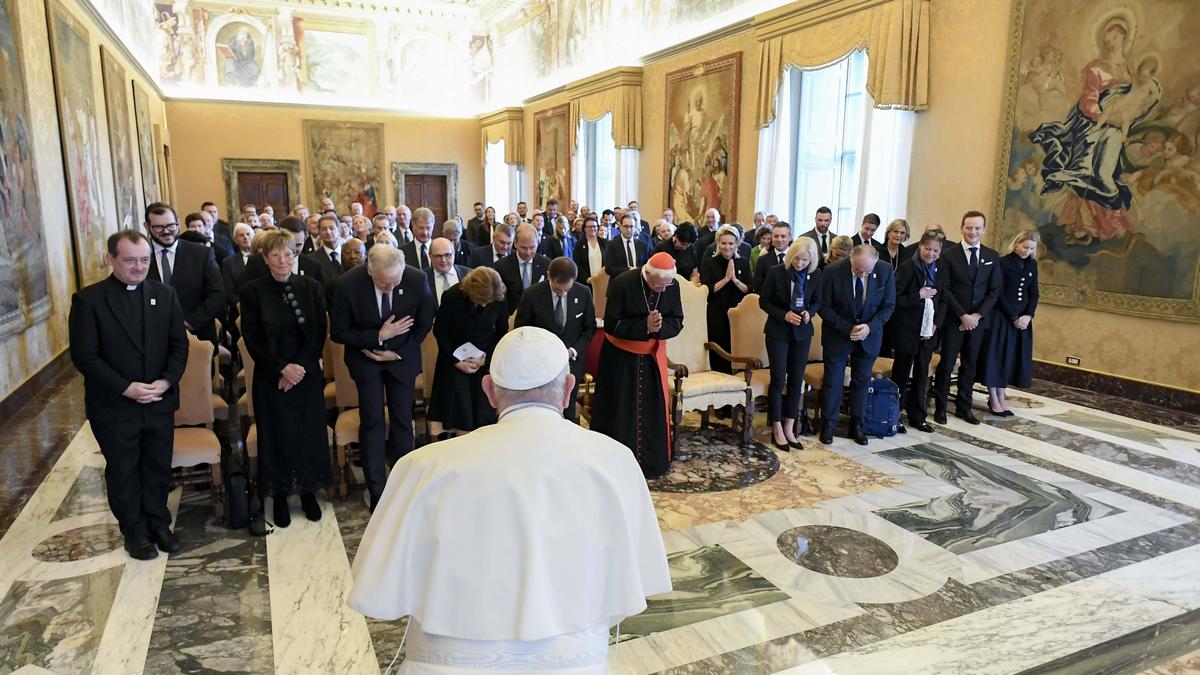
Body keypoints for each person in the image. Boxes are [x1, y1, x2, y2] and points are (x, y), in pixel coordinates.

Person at [348, 327, 670, 673]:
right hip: (573, 663)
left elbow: (378, 591)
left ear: (489, 390)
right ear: (568, 389)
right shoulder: (615, 460)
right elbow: (639, 579)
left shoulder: (421, 466)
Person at [69, 230, 189, 560]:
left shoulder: (164, 294)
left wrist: (166, 382)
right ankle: (134, 531)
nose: (139, 267)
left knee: (157, 466)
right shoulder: (89, 300)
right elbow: (85, 356)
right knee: (124, 470)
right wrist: (127, 388)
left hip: (158, 400)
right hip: (115, 404)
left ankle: (158, 524)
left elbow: (179, 345)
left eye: (144, 260)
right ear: (111, 260)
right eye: (130, 260)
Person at [330, 245, 435, 511]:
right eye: (383, 283)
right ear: (370, 271)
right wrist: (379, 336)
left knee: (402, 420)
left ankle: (402, 485)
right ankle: (376, 489)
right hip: (366, 362)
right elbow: (339, 332)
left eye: (395, 282)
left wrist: (397, 353)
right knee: (373, 421)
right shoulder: (346, 285)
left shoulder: (416, 279)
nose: (390, 288)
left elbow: (424, 323)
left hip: (402, 361)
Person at [239, 230, 332, 527]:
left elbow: (319, 331)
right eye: (276, 255)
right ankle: (278, 496)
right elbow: (251, 338)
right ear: (265, 259)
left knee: (308, 433)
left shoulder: (311, 286)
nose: (283, 260)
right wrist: (282, 368)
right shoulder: (252, 291)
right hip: (271, 377)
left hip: (306, 375)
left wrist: (299, 368)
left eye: (289, 254)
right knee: (276, 435)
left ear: (296, 256)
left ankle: (307, 493)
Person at [592, 252, 684, 478]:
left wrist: (659, 328)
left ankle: (651, 463)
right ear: (648, 275)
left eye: (667, 285)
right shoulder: (622, 282)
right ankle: (617, 466)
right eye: (658, 285)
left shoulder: (671, 285)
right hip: (620, 361)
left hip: (651, 360)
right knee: (620, 411)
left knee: (651, 412)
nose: (663, 289)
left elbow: (678, 320)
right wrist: (644, 326)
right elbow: (612, 324)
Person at [818, 244, 895, 446]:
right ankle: (828, 424)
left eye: (867, 271)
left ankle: (858, 424)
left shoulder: (885, 270)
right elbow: (823, 307)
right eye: (858, 269)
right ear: (851, 259)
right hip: (838, 334)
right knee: (833, 381)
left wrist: (870, 327)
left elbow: (888, 306)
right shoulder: (832, 271)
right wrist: (847, 329)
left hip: (869, 336)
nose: (862, 274)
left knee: (862, 380)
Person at [933, 211, 1002, 425]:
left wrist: (976, 316)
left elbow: (994, 290)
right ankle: (941, 408)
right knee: (946, 365)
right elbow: (945, 289)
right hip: (954, 320)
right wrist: (963, 315)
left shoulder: (991, 256)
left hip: (978, 322)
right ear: (962, 228)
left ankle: (964, 407)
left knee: (970, 366)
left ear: (983, 229)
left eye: (977, 228)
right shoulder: (948, 255)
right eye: (969, 227)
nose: (973, 231)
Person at [428, 266, 509, 435]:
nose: (486, 304)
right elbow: (441, 332)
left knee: (485, 413)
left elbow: (501, 331)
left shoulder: (498, 295)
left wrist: (485, 359)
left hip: (484, 358)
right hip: (455, 360)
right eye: (482, 300)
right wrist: (456, 362)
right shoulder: (453, 296)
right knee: (461, 411)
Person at [514, 257, 597, 421]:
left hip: (571, 363)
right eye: (558, 290)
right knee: (543, 411)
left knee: (568, 408)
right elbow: (522, 331)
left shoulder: (583, 292)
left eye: (567, 289)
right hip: (541, 365)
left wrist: (572, 351)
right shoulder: (532, 294)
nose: (563, 293)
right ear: (549, 277)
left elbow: (590, 327)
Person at [759, 237, 822, 449]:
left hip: (802, 333)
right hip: (778, 331)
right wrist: (784, 314)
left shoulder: (815, 275)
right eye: (797, 259)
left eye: (805, 260)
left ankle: (789, 426)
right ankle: (776, 426)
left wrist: (809, 313)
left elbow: (817, 301)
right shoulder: (777, 272)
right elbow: (764, 301)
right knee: (778, 379)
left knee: (797, 380)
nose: (800, 264)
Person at [890, 231, 948, 433]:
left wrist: (936, 323)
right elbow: (896, 299)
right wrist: (918, 295)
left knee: (922, 373)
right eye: (928, 249)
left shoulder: (940, 269)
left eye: (935, 250)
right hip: (907, 329)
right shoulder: (908, 267)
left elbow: (944, 299)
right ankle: (894, 415)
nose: (931, 253)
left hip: (928, 331)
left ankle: (918, 416)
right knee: (901, 373)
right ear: (920, 247)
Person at [145, 202, 225, 343]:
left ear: (178, 223)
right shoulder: (140, 256)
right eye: (158, 227)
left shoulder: (201, 254)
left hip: (197, 336)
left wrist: (189, 323)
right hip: (153, 340)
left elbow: (216, 294)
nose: (166, 231)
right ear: (147, 227)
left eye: (171, 225)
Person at [982, 230, 1040, 416]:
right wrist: (1014, 317)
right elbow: (998, 293)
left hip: (1023, 321)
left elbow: (1034, 293)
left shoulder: (1032, 265)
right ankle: (994, 398)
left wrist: (1028, 316)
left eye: (1031, 248)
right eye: (1024, 247)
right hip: (1002, 319)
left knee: (1011, 360)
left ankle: (1001, 396)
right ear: (1016, 244)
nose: (1027, 251)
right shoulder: (1003, 263)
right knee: (997, 358)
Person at [699, 225, 752, 374]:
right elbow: (706, 289)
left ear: (736, 244)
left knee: (736, 346)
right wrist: (725, 279)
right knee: (718, 348)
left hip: (738, 313)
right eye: (723, 243)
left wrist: (734, 280)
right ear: (718, 243)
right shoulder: (709, 262)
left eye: (731, 243)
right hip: (717, 312)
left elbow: (750, 289)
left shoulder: (743, 262)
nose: (727, 247)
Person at [495, 224, 551, 314]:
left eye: (532, 247)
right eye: (523, 248)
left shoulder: (546, 264)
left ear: (538, 242)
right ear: (515, 243)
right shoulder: (501, 266)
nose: (528, 253)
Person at [425, 237, 471, 309]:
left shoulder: (470, 275)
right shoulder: (421, 278)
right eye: (438, 256)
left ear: (454, 254)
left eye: (447, 255)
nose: (443, 260)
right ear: (430, 256)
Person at [604, 214, 649, 279]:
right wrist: (629, 270)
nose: (629, 230)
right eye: (626, 226)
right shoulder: (612, 244)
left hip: (638, 282)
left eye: (631, 226)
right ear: (620, 227)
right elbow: (608, 269)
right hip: (619, 282)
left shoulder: (642, 245)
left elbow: (646, 265)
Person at [753, 221, 794, 291]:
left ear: (790, 237)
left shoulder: (796, 259)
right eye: (776, 236)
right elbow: (757, 286)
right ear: (772, 237)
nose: (779, 239)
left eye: (783, 236)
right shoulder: (762, 260)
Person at [307, 213, 344, 281]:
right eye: (324, 229)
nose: (328, 232)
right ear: (319, 233)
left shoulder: (348, 254)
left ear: (339, 231)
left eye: (332, 228)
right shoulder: (311, 259)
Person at [571, 214, 607, 283]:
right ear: (584, 228)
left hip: (603, 281)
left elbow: (609, 262)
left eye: (594, 226)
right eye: (589, 227)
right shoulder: (579, 245)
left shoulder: (605, 243)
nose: (592, 228)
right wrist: (587, 278)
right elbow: (576, 264)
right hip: (586, 282)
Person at [400, 207, 436, 271]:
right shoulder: (402, 252)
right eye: (421, 228)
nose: (425, 232)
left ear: (433, 227)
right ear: (413, 226)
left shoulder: (441, 250)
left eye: (428, 228)